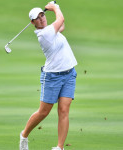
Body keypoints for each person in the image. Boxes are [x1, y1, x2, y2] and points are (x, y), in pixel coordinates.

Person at [20, 1, 77, 150]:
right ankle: (24, 135)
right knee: (44, 112)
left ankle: (59, 147)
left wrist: (56, 10)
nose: (41, 18)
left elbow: (61, 25)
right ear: (33, 23)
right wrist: (55, 8)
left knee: (64, 110)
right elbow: (61, 20)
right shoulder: (44, 34)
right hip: (52, 77)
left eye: (42, 15)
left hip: (69, 74)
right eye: (37, 18)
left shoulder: (50, 29)